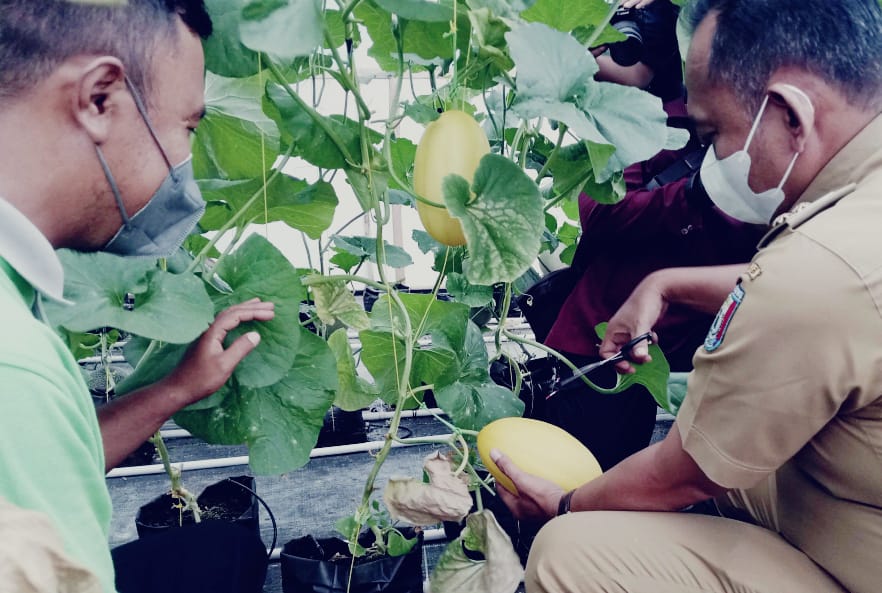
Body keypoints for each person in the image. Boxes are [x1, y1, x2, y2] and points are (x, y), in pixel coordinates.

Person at [492, 1, 882, 592]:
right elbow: (825, 293)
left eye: (714, 135)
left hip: (855, 554)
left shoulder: (819, 269)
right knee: (749, 469)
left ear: (788, 113)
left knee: (570, 551)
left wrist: (566, 502)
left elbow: (685, 473)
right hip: (851, 502)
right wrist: (666, 284)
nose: (715, 160)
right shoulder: (860, 205)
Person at [0, 2, 272, 592]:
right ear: (100, 98)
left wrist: (176, 388)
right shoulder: (12, 364)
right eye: (188, 128)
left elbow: (38, 466)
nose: (185, 165)